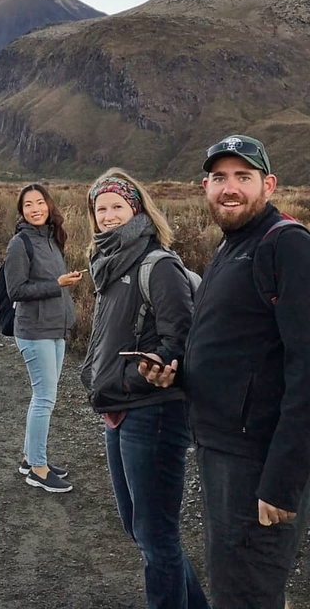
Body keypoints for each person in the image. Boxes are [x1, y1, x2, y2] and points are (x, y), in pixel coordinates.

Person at [141, 135, 310, 609]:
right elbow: (234, 351)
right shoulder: (232, 246)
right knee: (235, 584)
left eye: (243, 177)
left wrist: (283, 479)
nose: (229, 188)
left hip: (256, 461)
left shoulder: (287, 246)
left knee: (245, 593)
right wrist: (176, 372)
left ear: (269, 185)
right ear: (205, 186)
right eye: (220, 178)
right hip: (222, 450)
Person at [80, 168, 209, 609]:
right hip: (120, 407)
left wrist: (130, 378)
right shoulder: (109, 261)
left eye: (119, 206)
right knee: (142, 529)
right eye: (102, 209)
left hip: (154, 410)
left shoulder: (158, 264)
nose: (110, 216)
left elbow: (180, 341)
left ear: (137, 210)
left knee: (155, 536)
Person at [3, 183, 84, 493]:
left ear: (50, 206)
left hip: (55, 328)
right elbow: (17, 291)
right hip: (34, 331)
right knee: (44, 400)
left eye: (40, 202)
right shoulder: (19, 243)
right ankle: (38, 468)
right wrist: (57, 283)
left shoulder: (52, 239)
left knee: (43, 398)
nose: (35, 208)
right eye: (28, 205)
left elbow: (52, 284)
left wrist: (62, 285)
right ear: (21, 211)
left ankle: (29, 457)